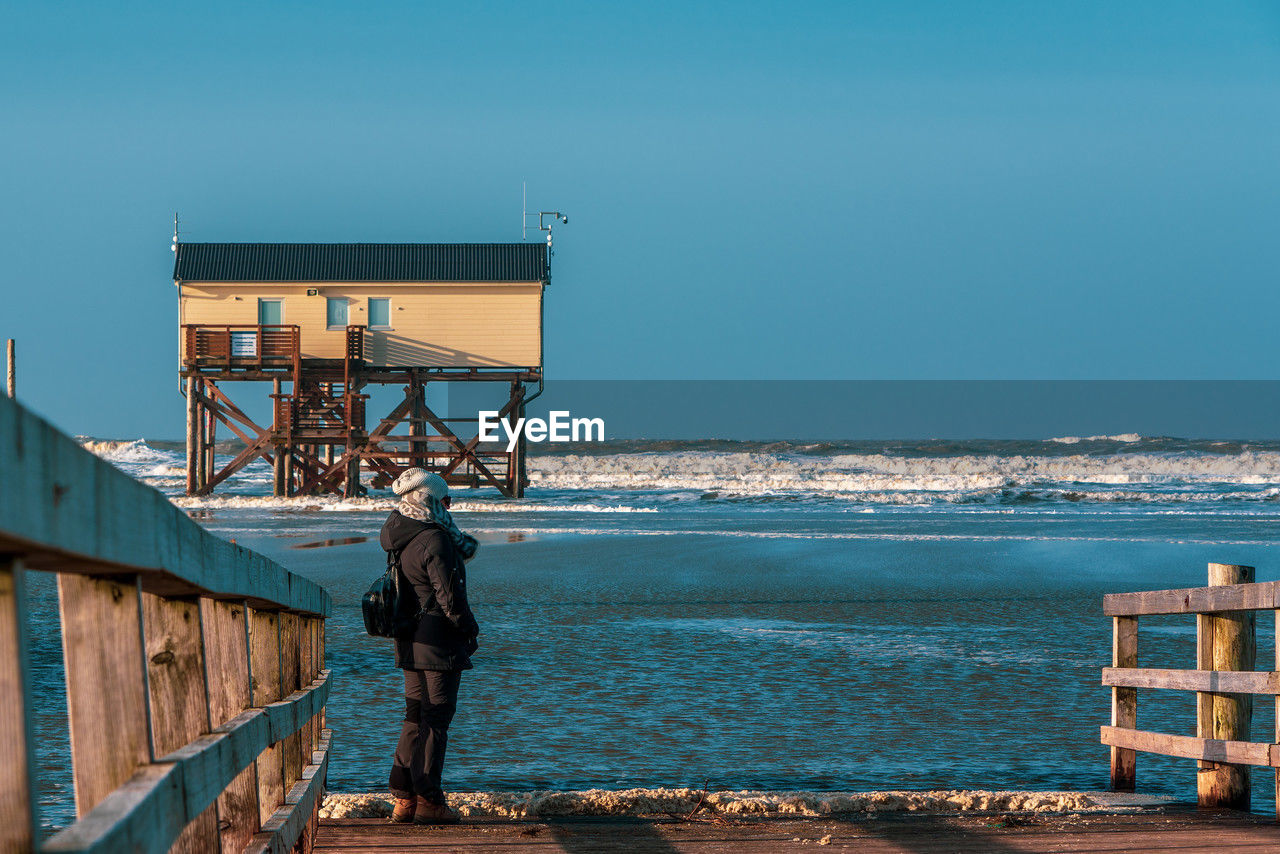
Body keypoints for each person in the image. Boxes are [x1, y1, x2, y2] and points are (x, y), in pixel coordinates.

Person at [381, 467, 480, 825]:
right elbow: (450, 600)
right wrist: (470, 631)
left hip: (408, 640)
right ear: (430, 500)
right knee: (436, 720)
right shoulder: (435, 539)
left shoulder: (400, 535)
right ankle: (429, 801)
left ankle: (403, 798)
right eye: (445, 498)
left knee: (414, 716)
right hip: (437, 643)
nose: (450, 504)